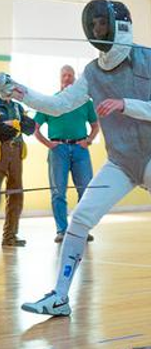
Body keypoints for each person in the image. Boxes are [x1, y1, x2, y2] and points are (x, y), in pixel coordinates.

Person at [0, 0, 151, 316]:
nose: (97, 30)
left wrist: (125, 104)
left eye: (102, 24)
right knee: (80, 219)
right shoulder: (92, 72)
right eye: (93, 25)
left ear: (119, 26)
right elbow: (58, 105)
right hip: (121, 162)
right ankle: (60, 296)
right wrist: (17, 90)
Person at [34, 65, 99, 243]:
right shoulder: (50, 102)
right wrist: (49, 144)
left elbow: (95, 125)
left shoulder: (85, 102)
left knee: (85, 191)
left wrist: (89, 140)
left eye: (70, 75)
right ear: (60, 78)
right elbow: (35, 128)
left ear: (75, 79)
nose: (67, 78)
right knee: (58, 192)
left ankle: (81, 230)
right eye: (64, 75)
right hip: (58, 151)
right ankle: (62, 230)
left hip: (80, 150)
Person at [0, 97, 35, 247]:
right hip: (1, 149)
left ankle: (10, 236)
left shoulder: (18, 107)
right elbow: (4, 131)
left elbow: (30, 128)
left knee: (16, 193)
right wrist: (8, 125)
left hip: (17, 150)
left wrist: (14, 124)